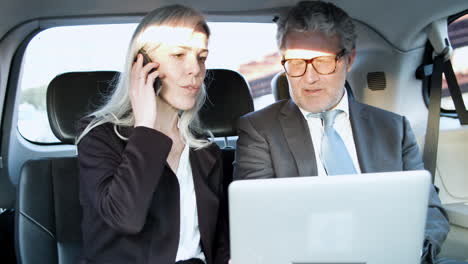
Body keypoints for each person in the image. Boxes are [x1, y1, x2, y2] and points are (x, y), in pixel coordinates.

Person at [233, 1, 456, 263]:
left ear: (349, 60)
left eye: (323, 62)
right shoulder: (259, 130)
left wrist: (411, 251)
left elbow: (430, 211)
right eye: (296, 63)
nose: (309, 78)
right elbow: (257, 219)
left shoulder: (394, 129)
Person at [76, 5, 229, 264]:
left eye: (201, 57)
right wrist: (145, 126)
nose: (195, 69)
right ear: (142, 64)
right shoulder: (99, 137)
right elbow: (125, 218)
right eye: (179, 55)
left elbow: (218, 242)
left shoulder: (206, 151)